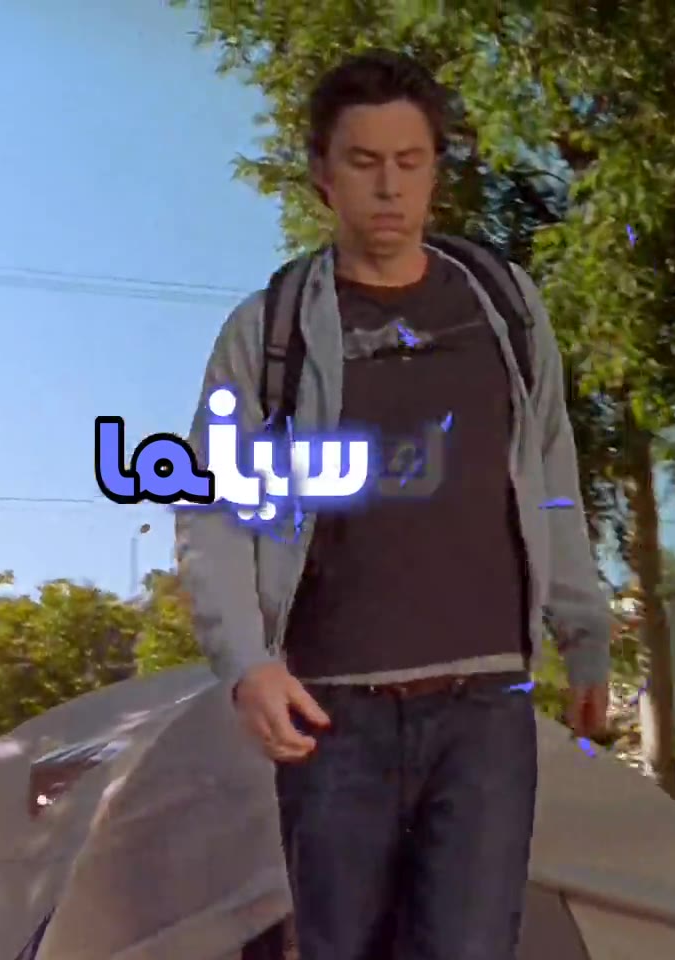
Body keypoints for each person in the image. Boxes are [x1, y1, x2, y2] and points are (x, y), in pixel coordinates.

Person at [177, 48, 611, 960]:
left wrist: (587, 632)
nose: (389, 188)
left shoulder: (505, 308)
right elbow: (214, 506)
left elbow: (552, 476)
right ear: (322, 174)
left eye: (409, 162)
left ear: (435, 171)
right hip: (333, 718)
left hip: (486, 712)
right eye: (365, 162)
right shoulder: (269, 331)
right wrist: (246, 665)